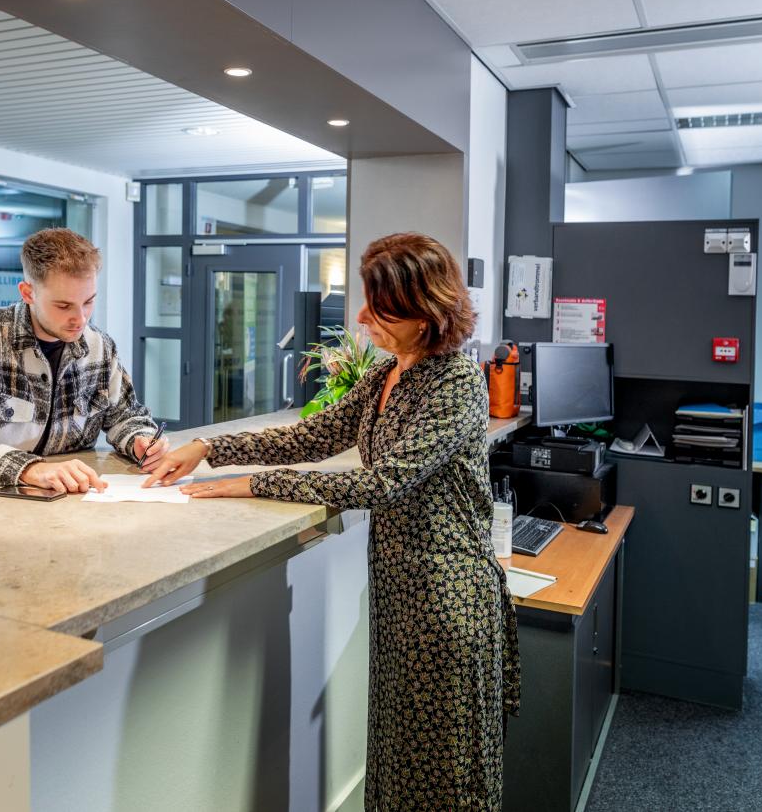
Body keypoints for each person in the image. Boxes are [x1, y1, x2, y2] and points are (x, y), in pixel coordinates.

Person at [147, 232, 521, 809]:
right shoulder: (387, 374)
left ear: (425, 312)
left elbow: (382, 482)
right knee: (398, 752)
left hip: (448, 598)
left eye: (380, 305)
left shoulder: (458, 383)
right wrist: (208, 449)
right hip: (402, 591)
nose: (362, 316)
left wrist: (256, 483)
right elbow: (313, 433)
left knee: (446, 768)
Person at [0, 228, 166, 492]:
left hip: (76, 501)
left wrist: (140, 438)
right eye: (64, 306)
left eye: (88, 301)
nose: (81, 319)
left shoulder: (99, 346)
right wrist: (29, 469)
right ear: (28, 293)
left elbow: (125, 415)